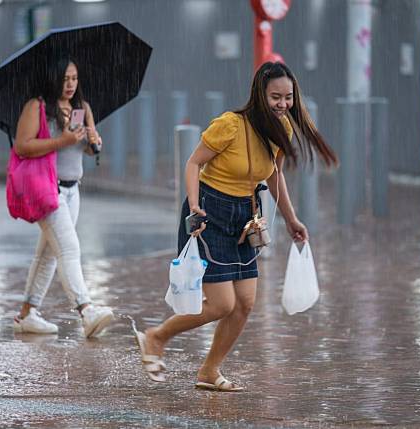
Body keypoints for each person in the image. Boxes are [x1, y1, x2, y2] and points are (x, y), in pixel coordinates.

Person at [134, 62, 338, 390]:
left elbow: (274, 175)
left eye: (288, 98)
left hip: (245, 215)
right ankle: (156, 336)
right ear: (260, 94)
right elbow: (193, 163)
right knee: (221, 304)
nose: (282, 104)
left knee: (244, 302)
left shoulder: (281, 128)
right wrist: (195, 205)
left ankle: (209, 371)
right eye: (275, 97)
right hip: (209, 212)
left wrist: (291, 219)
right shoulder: (230, 125)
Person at [11, 58, 114, 337]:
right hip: (47, 188)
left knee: (48, 255)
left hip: (72, 189)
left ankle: (27, 315)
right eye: (65, 79)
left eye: (74, 78)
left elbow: (88, 151)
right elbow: (22, 146)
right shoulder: (38, 107)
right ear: (53, 78)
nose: (70, 85)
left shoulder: (82, 108)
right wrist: (61, 141)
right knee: (69, 248)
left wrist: (94, 141)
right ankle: (86, 310)